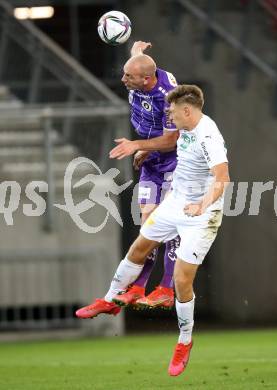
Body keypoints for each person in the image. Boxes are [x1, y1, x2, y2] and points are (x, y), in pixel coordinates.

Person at [78, 85, 230, 376]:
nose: (169, 115)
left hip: (202, 214)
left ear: (187, 111)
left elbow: (223, 178)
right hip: (175, 204)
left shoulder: (209, 136)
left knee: (182, 282)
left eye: (172, 111)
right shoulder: (185, 127)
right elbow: (170, 142)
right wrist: (144, 151)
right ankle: (110, 300)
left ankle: (185, 341)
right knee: (138, 248)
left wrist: (202, 204)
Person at [77, 42, 180, 316]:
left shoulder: (169, 98)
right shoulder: (143, 73)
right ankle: (137, 287)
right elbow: (140, 63)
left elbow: (172, 140)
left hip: (175, 163)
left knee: (166, 224)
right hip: (152, 163)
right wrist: (136, 52)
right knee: (147, 227)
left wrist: (138, 145)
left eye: (129, 76)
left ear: (147, 79)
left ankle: (167, 289)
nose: (123, 80)